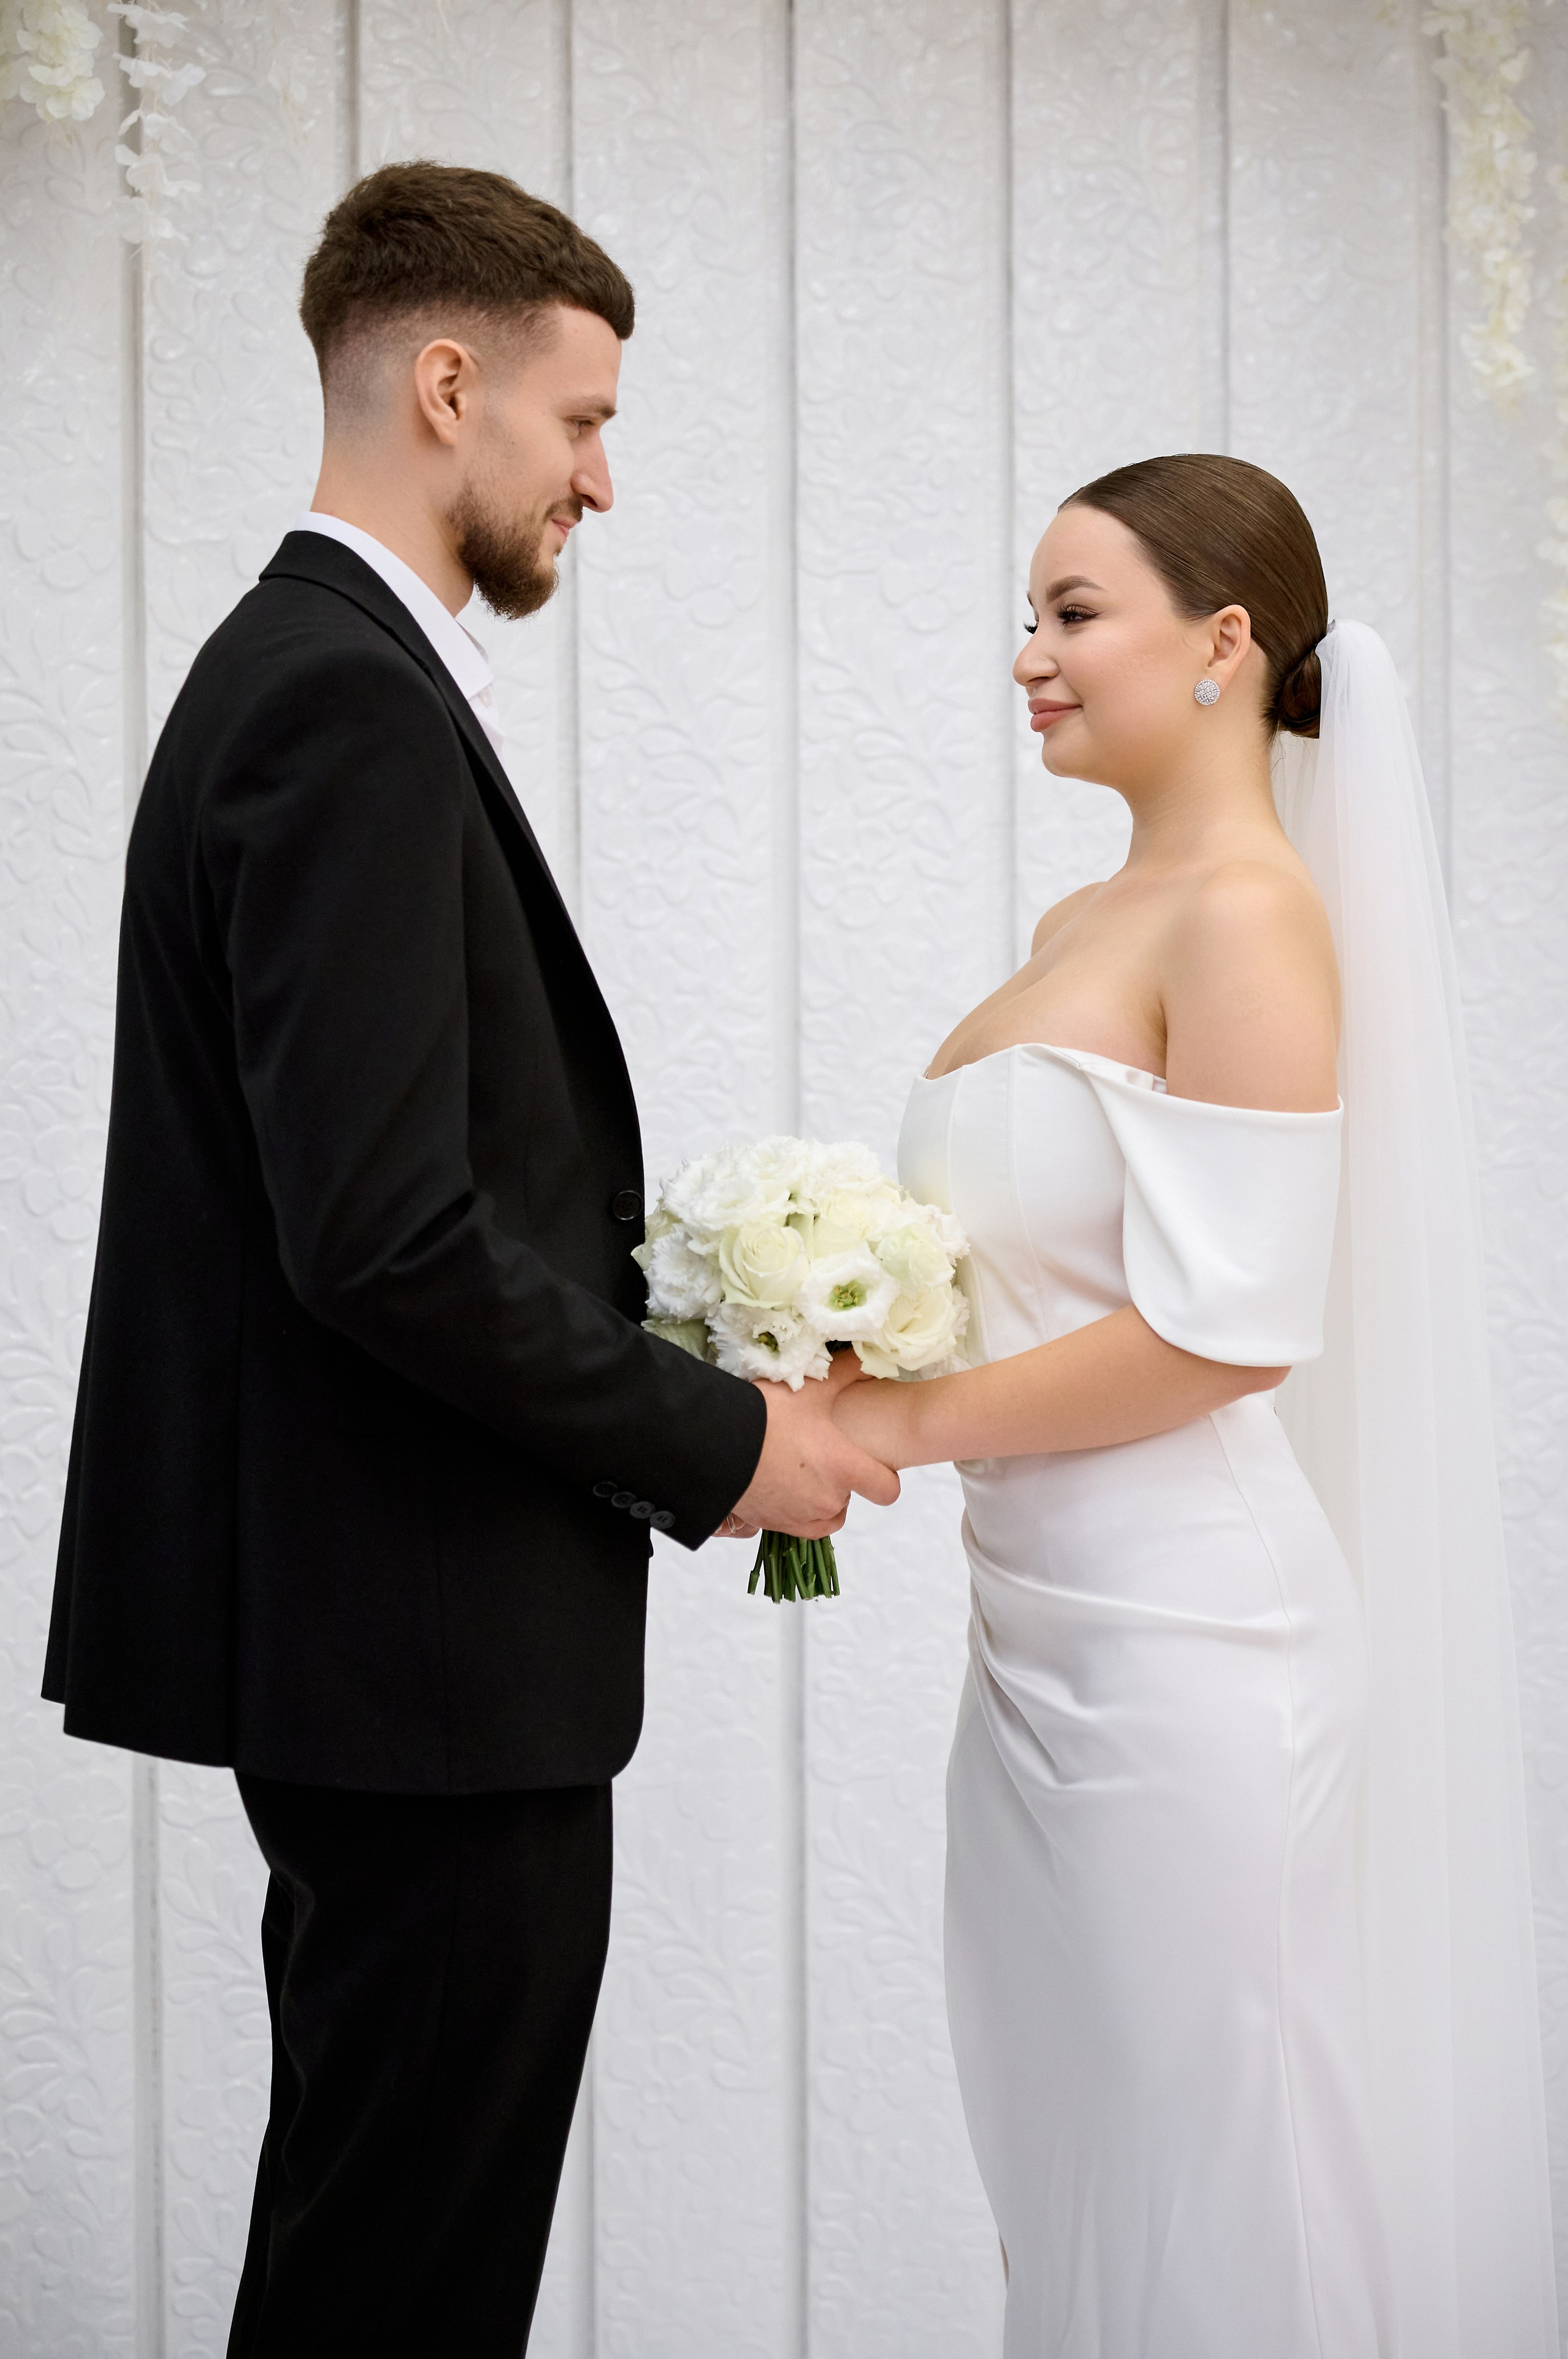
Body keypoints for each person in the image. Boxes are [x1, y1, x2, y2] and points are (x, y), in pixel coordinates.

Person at [40, 161, 895, 2357]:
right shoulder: (337, 702)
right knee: (405, 2273)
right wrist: (729, 1441)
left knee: (374, 2238)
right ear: (448, 385)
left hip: (378, 1643)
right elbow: (390, 1236)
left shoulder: (304, 673)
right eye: (582, 420)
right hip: (416, 1659)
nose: (602, 479)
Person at [830, 456, 1557, 2356]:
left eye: (1074, 615)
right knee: (1070, 2156)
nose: (1029, 661)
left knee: (1216, 2168)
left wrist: (897, 1430)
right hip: (1038, 1651)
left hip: (1194, 1657)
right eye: (1031, 616)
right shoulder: (1091, 914)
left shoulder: (1247, 913)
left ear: (1227, 643)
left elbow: (1231, 1336)